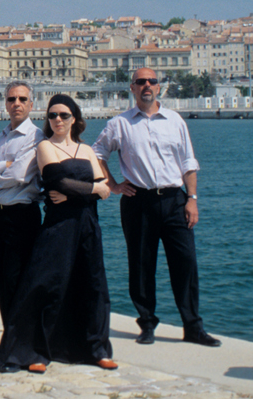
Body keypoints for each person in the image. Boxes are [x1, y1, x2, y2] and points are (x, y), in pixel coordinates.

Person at [93, 69, 218, 346]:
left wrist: (192, 199)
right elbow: (97, 153)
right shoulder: (119, 124)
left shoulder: (175, 121)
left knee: (186, 263)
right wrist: (113, 185)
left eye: (152, 81)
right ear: (132, 88)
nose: (147, 85)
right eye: (141, 82)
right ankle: (147, 324)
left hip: (175, 201)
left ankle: (193, 327)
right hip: (138, 201)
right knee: (141, 265)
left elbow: (188, 162)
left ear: (159, 88)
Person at [0, 94, 116, 374]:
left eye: (63, 115)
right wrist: (91, 189)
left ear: (75, 118)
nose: (57, 120)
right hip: (58, 225)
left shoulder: (86, 149)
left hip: (88, 225)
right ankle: (34, 351)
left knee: (93, 285)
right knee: (46, 285)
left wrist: (79, 192)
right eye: (52, 115)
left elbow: (105, 189)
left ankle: (96, 349)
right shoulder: (45, 147)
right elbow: (57, 182)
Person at [0, 80, 42, 354]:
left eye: (22, 99)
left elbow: (19, 175)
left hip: (22, 216)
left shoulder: (35, 137)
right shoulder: (1, 136)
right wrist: (3, 167)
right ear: (5, 104)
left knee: (18, 279)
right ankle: (10, 341)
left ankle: (21, 345)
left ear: (31, 104)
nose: (17, 104)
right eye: (12, 99)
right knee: (2, 280)